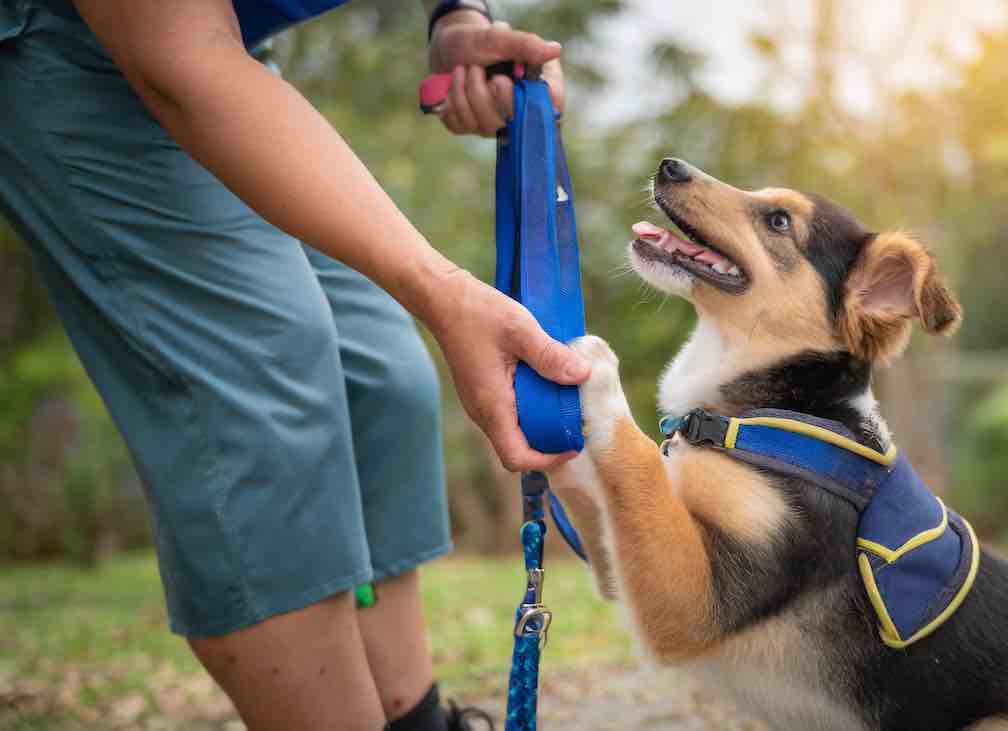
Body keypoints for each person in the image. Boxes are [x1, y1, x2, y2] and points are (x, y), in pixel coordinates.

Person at [0, 0, 589, 729]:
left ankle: (415, 718)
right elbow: (179, 60)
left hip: (232, 48)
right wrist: (444, 293)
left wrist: (456, 19)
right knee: (267, 385)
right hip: (86, 44)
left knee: (383, 374)